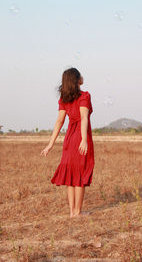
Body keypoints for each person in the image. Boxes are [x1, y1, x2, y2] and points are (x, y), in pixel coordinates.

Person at [40, 67, 94, 218]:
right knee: (80, 175)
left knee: (71, 176)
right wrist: (84, 139)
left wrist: (50, 144)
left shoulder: (64, 99)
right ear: (77, 80)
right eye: (80, 75)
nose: (83, 77)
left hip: (69, 139)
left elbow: (59, 121)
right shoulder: (84, 96)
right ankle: (77, 212)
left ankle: (72, 212)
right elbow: (84, 118)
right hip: (78, 137)